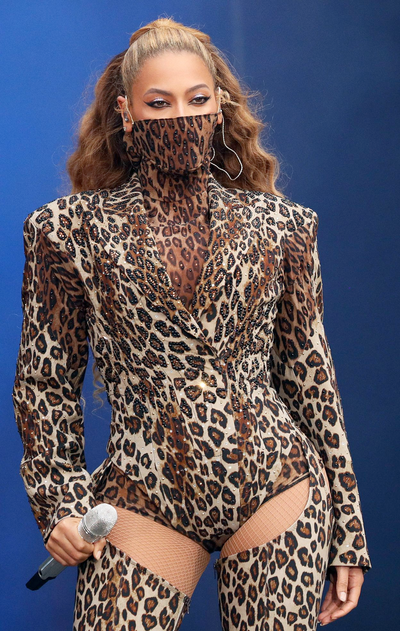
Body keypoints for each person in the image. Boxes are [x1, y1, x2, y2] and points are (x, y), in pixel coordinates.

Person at [13, 17, 371, 631]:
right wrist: (60, 501)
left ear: (220, 106)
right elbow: (45, 381)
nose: (181, 115)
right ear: (126, 111)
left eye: (197, 99)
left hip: (277, 487)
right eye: (159, 102)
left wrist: (350, 532)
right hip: (141, 494)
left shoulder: (283, 227)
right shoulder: (66, 231)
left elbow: (311, 377)